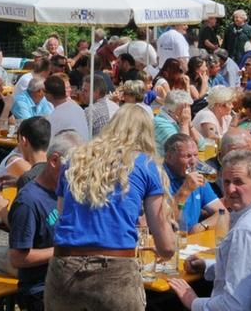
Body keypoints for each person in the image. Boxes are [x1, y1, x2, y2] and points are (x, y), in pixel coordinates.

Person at [45, 106, 175, 311]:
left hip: (65, 265)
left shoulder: (73, 160)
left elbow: (62, 215)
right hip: (115, 270)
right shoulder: (146, 165)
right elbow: (166, 246)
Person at [168, 149, 251, 311]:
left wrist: (192, 301)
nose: (230, 190)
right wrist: (207, 266)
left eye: (239, 182)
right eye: (226, 182)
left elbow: (234, 306)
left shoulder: (247, 231)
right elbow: (250, 270)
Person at [8, 131, 80, 311]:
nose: (79, 173)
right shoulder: (29, 201)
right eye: (75, 167)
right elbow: (17, 258)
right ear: (54, 161)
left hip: (70, 280)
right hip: (41, 288)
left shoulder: (72, 192)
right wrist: (63, 249)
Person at [164, 133, 225, 233]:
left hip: (192, 243)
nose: (193, 161)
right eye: (187, 156)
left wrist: (200, 227)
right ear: (169, 157)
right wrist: (185, 190)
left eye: (195, 155)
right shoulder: (158, 178)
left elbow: (222, 213)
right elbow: (164, 222)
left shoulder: (197, 176)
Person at [0, 114, 51, 190]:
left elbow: (32, 180)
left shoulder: (28, 177)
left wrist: (19, 182)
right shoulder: (56, 167)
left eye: (18, 140)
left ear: (24, 141)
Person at [43, 74, 89, 139]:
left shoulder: (55, 117)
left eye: (44, 91)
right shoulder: (75, 106)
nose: (43, 94)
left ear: (49, 95)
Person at [155, 90, 198, 156]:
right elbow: (183, 151)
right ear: (170, 111)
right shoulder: (159, 123)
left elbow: (202, 145)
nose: (187, 112)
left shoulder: (179, 120)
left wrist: (190, 124)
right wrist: (184, 124)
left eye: (188, 107)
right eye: (183, 109)